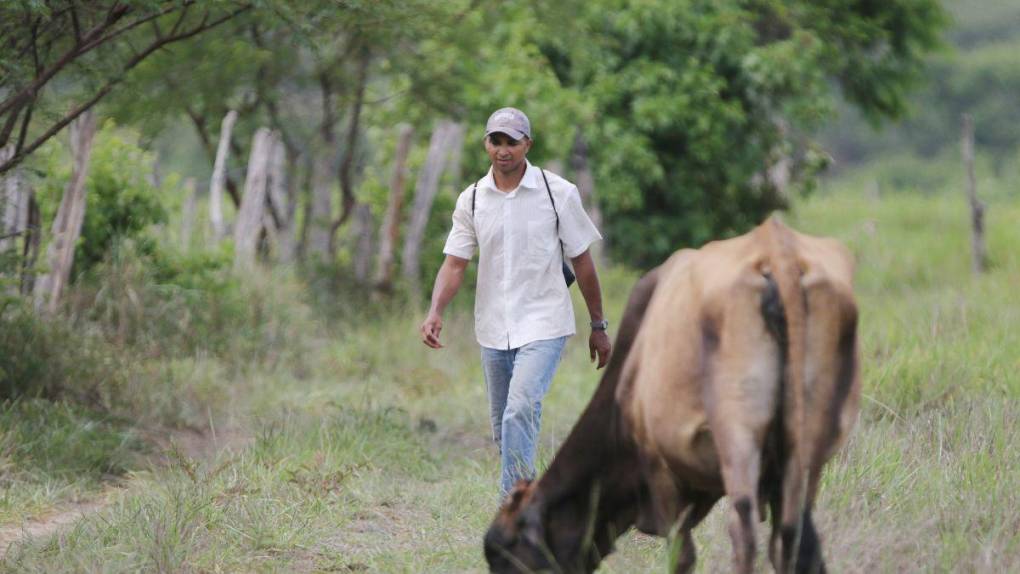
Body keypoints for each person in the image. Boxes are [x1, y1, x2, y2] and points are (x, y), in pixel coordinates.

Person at [419, 107, 612, 497]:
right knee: (503, 426)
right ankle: (531, 492)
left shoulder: (557, 193)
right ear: (486, 143)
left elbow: (583, 262)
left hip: (544, 322)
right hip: (493, 326)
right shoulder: (472, 199)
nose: (503, 150)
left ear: (528, 144)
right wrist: (435, 310)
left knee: (520, 409)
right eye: (496, 141)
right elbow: (455, 264)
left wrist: (598, 325)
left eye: (512, 141)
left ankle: (516, 508)